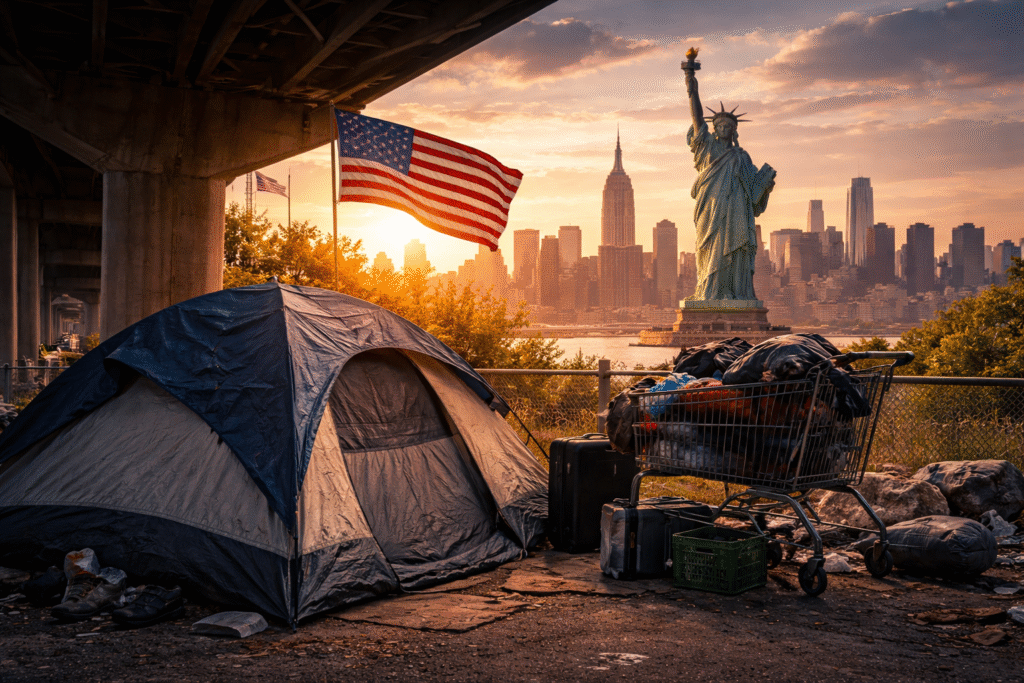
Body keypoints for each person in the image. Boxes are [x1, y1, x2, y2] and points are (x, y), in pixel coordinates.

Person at [684, 61, 775, 303]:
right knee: (711, 251)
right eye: (719, 125)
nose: (723, 128)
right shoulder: (707, 147)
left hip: (736, 211)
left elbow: (754, 195)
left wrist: (766, 186)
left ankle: (736, 293)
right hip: (711, 209)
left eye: (728, 126)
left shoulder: (742, 156)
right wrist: (690, 80)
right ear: (713, 129)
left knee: (736, 252)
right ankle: (710, 292)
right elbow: (695, 115)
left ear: (734, 130)